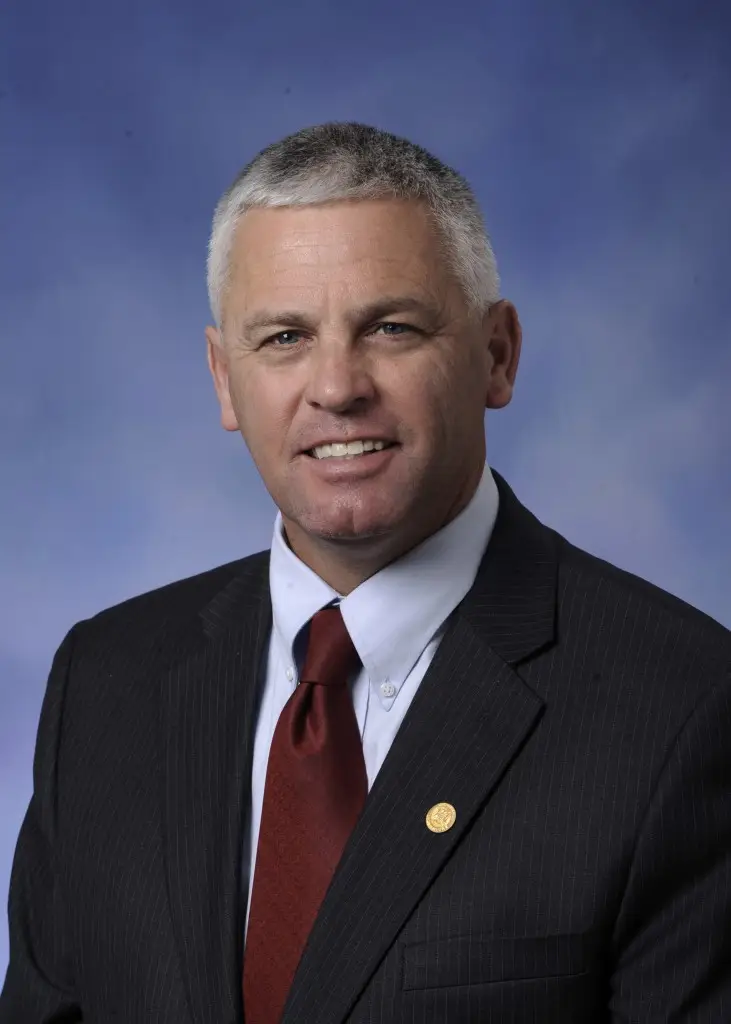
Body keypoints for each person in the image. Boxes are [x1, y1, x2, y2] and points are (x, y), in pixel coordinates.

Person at [1, 122, 730, 1024]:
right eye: (284, 337)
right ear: (224, 379)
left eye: (390, 327)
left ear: (496, 355)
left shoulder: (682, 707)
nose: (337, 387)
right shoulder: (105, 682)